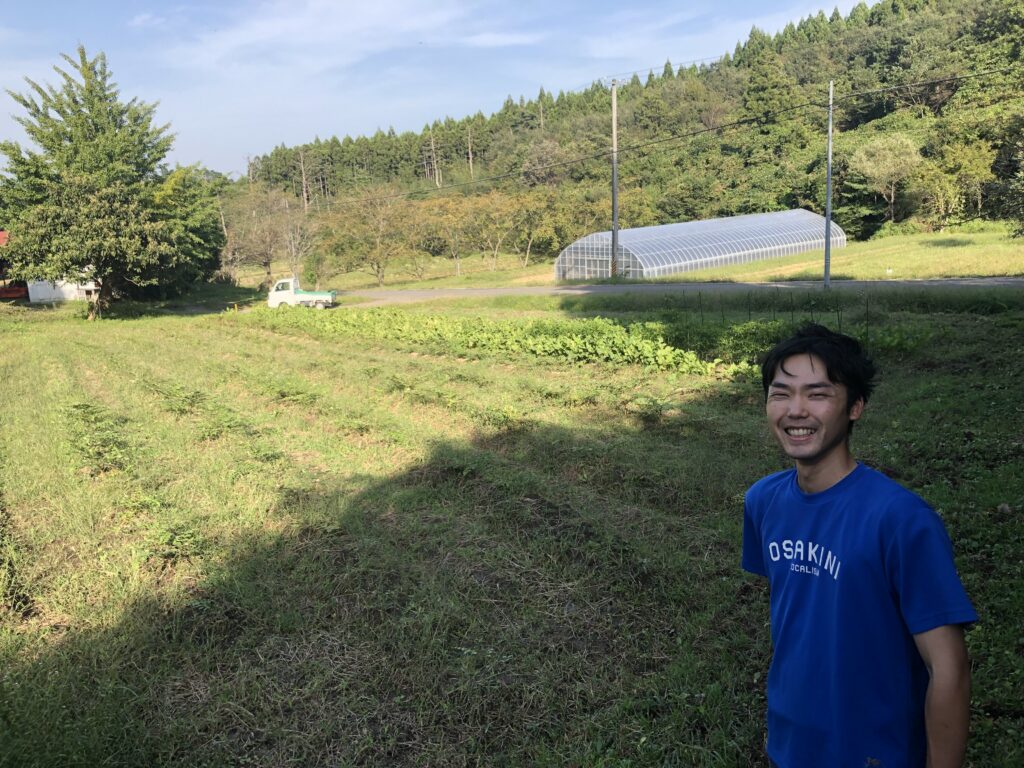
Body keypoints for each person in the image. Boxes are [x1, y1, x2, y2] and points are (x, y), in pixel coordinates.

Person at [742, 324, 976, 768]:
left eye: (817, 394)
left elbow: (949, 669)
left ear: (855, 407)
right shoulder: (763, 500)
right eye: (781, 394)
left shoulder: (902, 520)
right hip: (789, 744)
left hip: (874, 752)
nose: (796, 410)